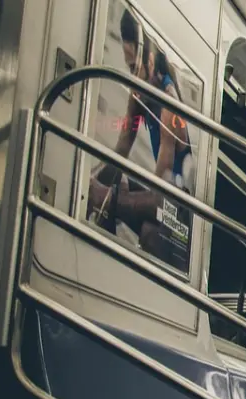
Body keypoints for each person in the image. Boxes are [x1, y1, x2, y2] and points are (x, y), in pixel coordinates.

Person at [88, 8, 195, 267]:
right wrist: (86, 182)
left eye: (135, 67)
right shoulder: (140, 94)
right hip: (162, 199)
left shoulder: (170, 103)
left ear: (149, 58)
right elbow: (122, 149)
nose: (132, 76)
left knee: (149, 231)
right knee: (116, 180)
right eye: (128, 68)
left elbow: (160, 196)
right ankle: (99, 263)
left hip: (179, 214)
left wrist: (105, 197)